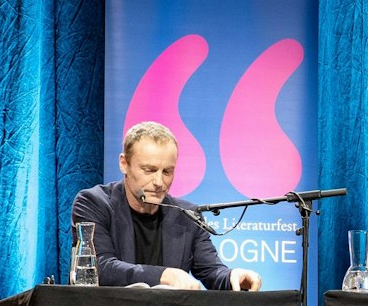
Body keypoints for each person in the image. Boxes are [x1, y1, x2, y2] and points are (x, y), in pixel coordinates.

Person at [69, 121, 261, 291]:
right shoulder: (93, 203)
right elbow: (99, 268)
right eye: (149, 170)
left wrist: (233, 276)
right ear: (124, 164)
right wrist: (164, 275)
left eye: (167, 171)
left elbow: (211, 271)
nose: (159, 182)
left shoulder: (187, 215)